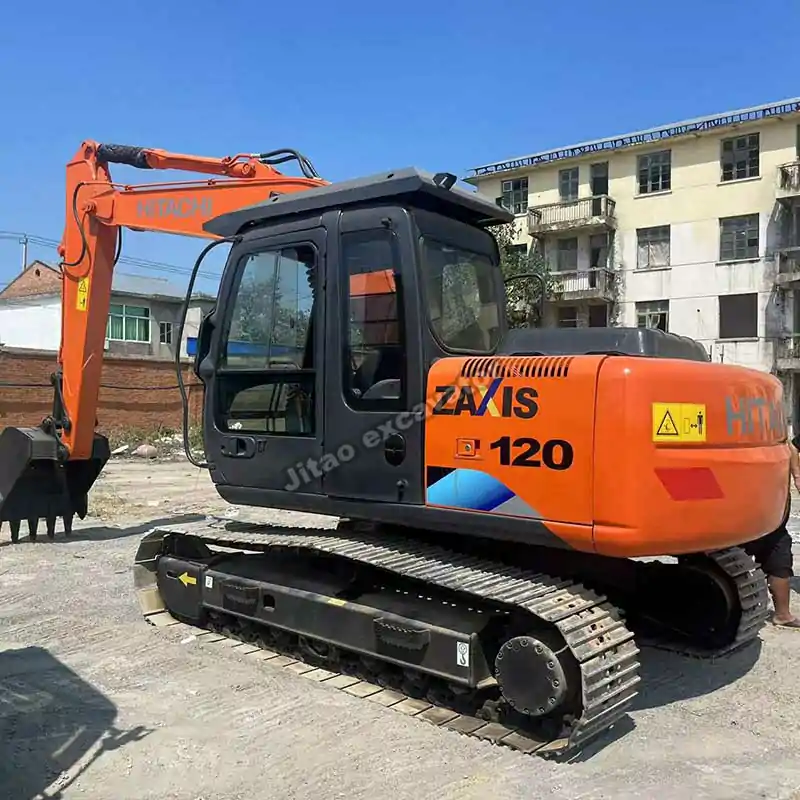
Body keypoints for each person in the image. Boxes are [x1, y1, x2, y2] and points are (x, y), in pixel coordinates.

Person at [742, 437, 799, 629]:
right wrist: (798, 476)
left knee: (780, 555)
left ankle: (783, 614)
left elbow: (790, 446)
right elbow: (794, 445)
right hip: (747, 507)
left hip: (775, 509)